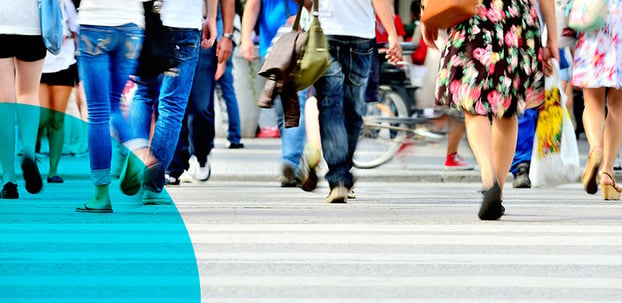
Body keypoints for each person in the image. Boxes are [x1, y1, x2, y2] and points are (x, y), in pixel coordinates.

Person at [423, 0, 558, 219]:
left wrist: (427, 11)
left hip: (473, 12)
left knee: (473, 104)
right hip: (517, 18)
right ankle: (499, 191)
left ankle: (489, 180)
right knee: (508, 108)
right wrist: (551, 37)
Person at [121, 0, 219, 205]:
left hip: (145, 19)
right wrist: (211, 16)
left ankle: (139, 155)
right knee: (172, 105)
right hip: (185, 22)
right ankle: (153, 184)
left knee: (144, 93)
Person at [311, 0, 402, 203]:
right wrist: (392, 34)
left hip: (326, 33)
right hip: (361, 36)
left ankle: (338, 179)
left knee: (330, 107)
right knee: (353, 110)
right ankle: (342, 175)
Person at [74, 0, 145, 212]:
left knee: (98, 112)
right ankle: (137, 149)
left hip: (94, 20)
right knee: (114, 104)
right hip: (131, 25)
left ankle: (101, 196)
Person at [240, 0, 311, 188]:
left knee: (297, 102)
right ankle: (295, 162)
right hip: (272, 50)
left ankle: (291, 161)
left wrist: (306, 15)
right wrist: (246, 38)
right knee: (282, 109)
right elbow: (253, 5)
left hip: (300, 44)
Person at [166, 0, 235, 185]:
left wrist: (227, 36)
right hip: (167, 26)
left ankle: (201, 154)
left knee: (202, 104)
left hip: (202, 29)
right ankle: (174, 166)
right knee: (173, 102)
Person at [573, 0, 622, 200]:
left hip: (593, 16)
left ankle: (595, 148)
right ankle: (607, 172)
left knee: (592, 101)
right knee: (617, 105)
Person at [0, 0, 48, 199]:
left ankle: (8, 179)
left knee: (4, 99)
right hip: (33, 25)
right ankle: (28, 151)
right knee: (29, 92)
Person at [38, 0, 80, 184]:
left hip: (64, 63)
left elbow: (77, 30)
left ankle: (53, 170)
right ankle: (31, 157)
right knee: (42, 117)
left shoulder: (66, 3)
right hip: (37, 64)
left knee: (57, 119)